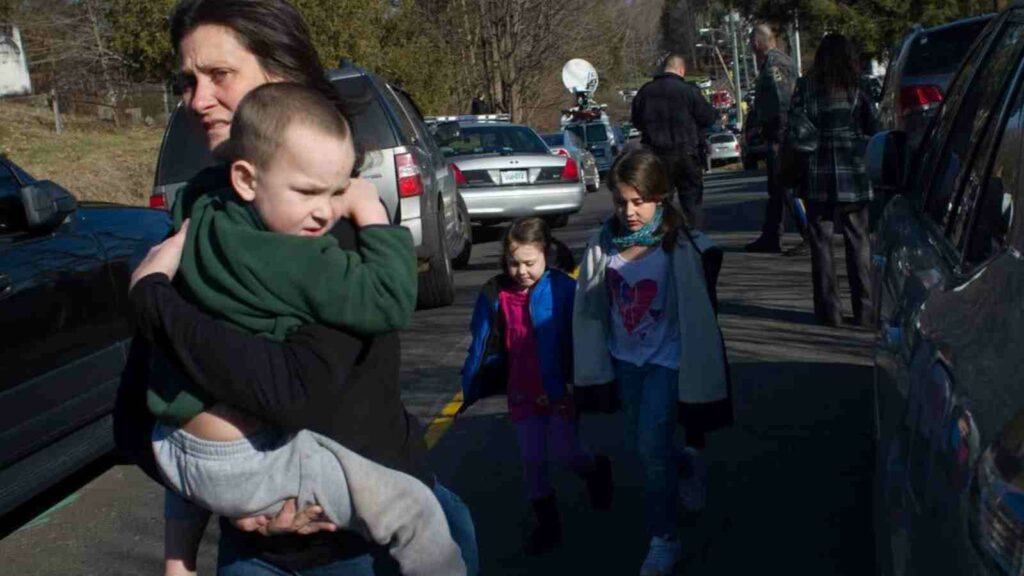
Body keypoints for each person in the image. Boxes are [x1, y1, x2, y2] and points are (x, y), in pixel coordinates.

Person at [114, 1, 479, 574]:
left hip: (368, 548)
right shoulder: (208, 214)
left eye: (219, 75)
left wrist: (152, 298)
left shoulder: (325, 218)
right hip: (257, 553)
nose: (197, 99)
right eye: (188, 81)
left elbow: (288, 392)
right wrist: (217, 511)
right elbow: (138, 414)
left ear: (281, 75)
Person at [573, 149, 730, 576]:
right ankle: (687, 462)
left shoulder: (677, 244)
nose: (629, 211)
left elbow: (699, 302)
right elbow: (589, 302)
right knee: (645, 447)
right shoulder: (604, 242)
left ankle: (664, 539)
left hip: (667, 359)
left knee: (648, 450)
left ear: (659, 197)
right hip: (626, 361)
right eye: (621, 201)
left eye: (639, 200)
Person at [459, 217, 614, 556]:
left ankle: (596, 469)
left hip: (559, 391)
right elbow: (481, 341)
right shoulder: (494, 293)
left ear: (546, 254)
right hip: (521, 392)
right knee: (532, 461)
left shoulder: (563, 289)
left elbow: (586, 335)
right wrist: (472, 379)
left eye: (529, 262)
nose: (521, 270)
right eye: (513, 263)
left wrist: (587, 378)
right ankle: (548, 526)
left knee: (568, 453)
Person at [788, 33, 878, 327]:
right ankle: (865, 310)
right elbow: (873, 126)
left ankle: (830, 312)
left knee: (821, 243)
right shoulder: (858, 86)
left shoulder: (806, 86)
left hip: (817, 170)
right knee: (859, 240)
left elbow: (795, 128)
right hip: (852, 169)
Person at [631, 53, 717, 230]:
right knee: (692, 205)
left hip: (656, 158)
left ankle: (661, 244)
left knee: (660, 204)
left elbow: (636, 122)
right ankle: (695, 244)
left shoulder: (645, 92)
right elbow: (708, 118)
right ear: (681, 70)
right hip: (687, 155)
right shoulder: (689, 91)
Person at [745, 24, 800, 254]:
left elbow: (782, 99)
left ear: (757, 44)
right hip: (778, 132)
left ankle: (809, 233)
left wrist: (779, 132)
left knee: (786, 186)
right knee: (776, 187)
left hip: (782, 133)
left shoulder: (775, 64)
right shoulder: (777, 61)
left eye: (751, 45)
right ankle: (770, 236)